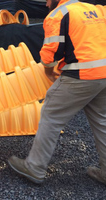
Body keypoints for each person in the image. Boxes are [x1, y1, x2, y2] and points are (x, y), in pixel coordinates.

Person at [8, 0, 106, 185]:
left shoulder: (59, 14)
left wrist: (48, 71)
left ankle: (35, 167)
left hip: (82, 74)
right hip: (104, 74)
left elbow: (50, 53)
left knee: (51, 114)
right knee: (102, 121)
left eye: (47, 0)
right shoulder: (96, 10)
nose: (46, 4)